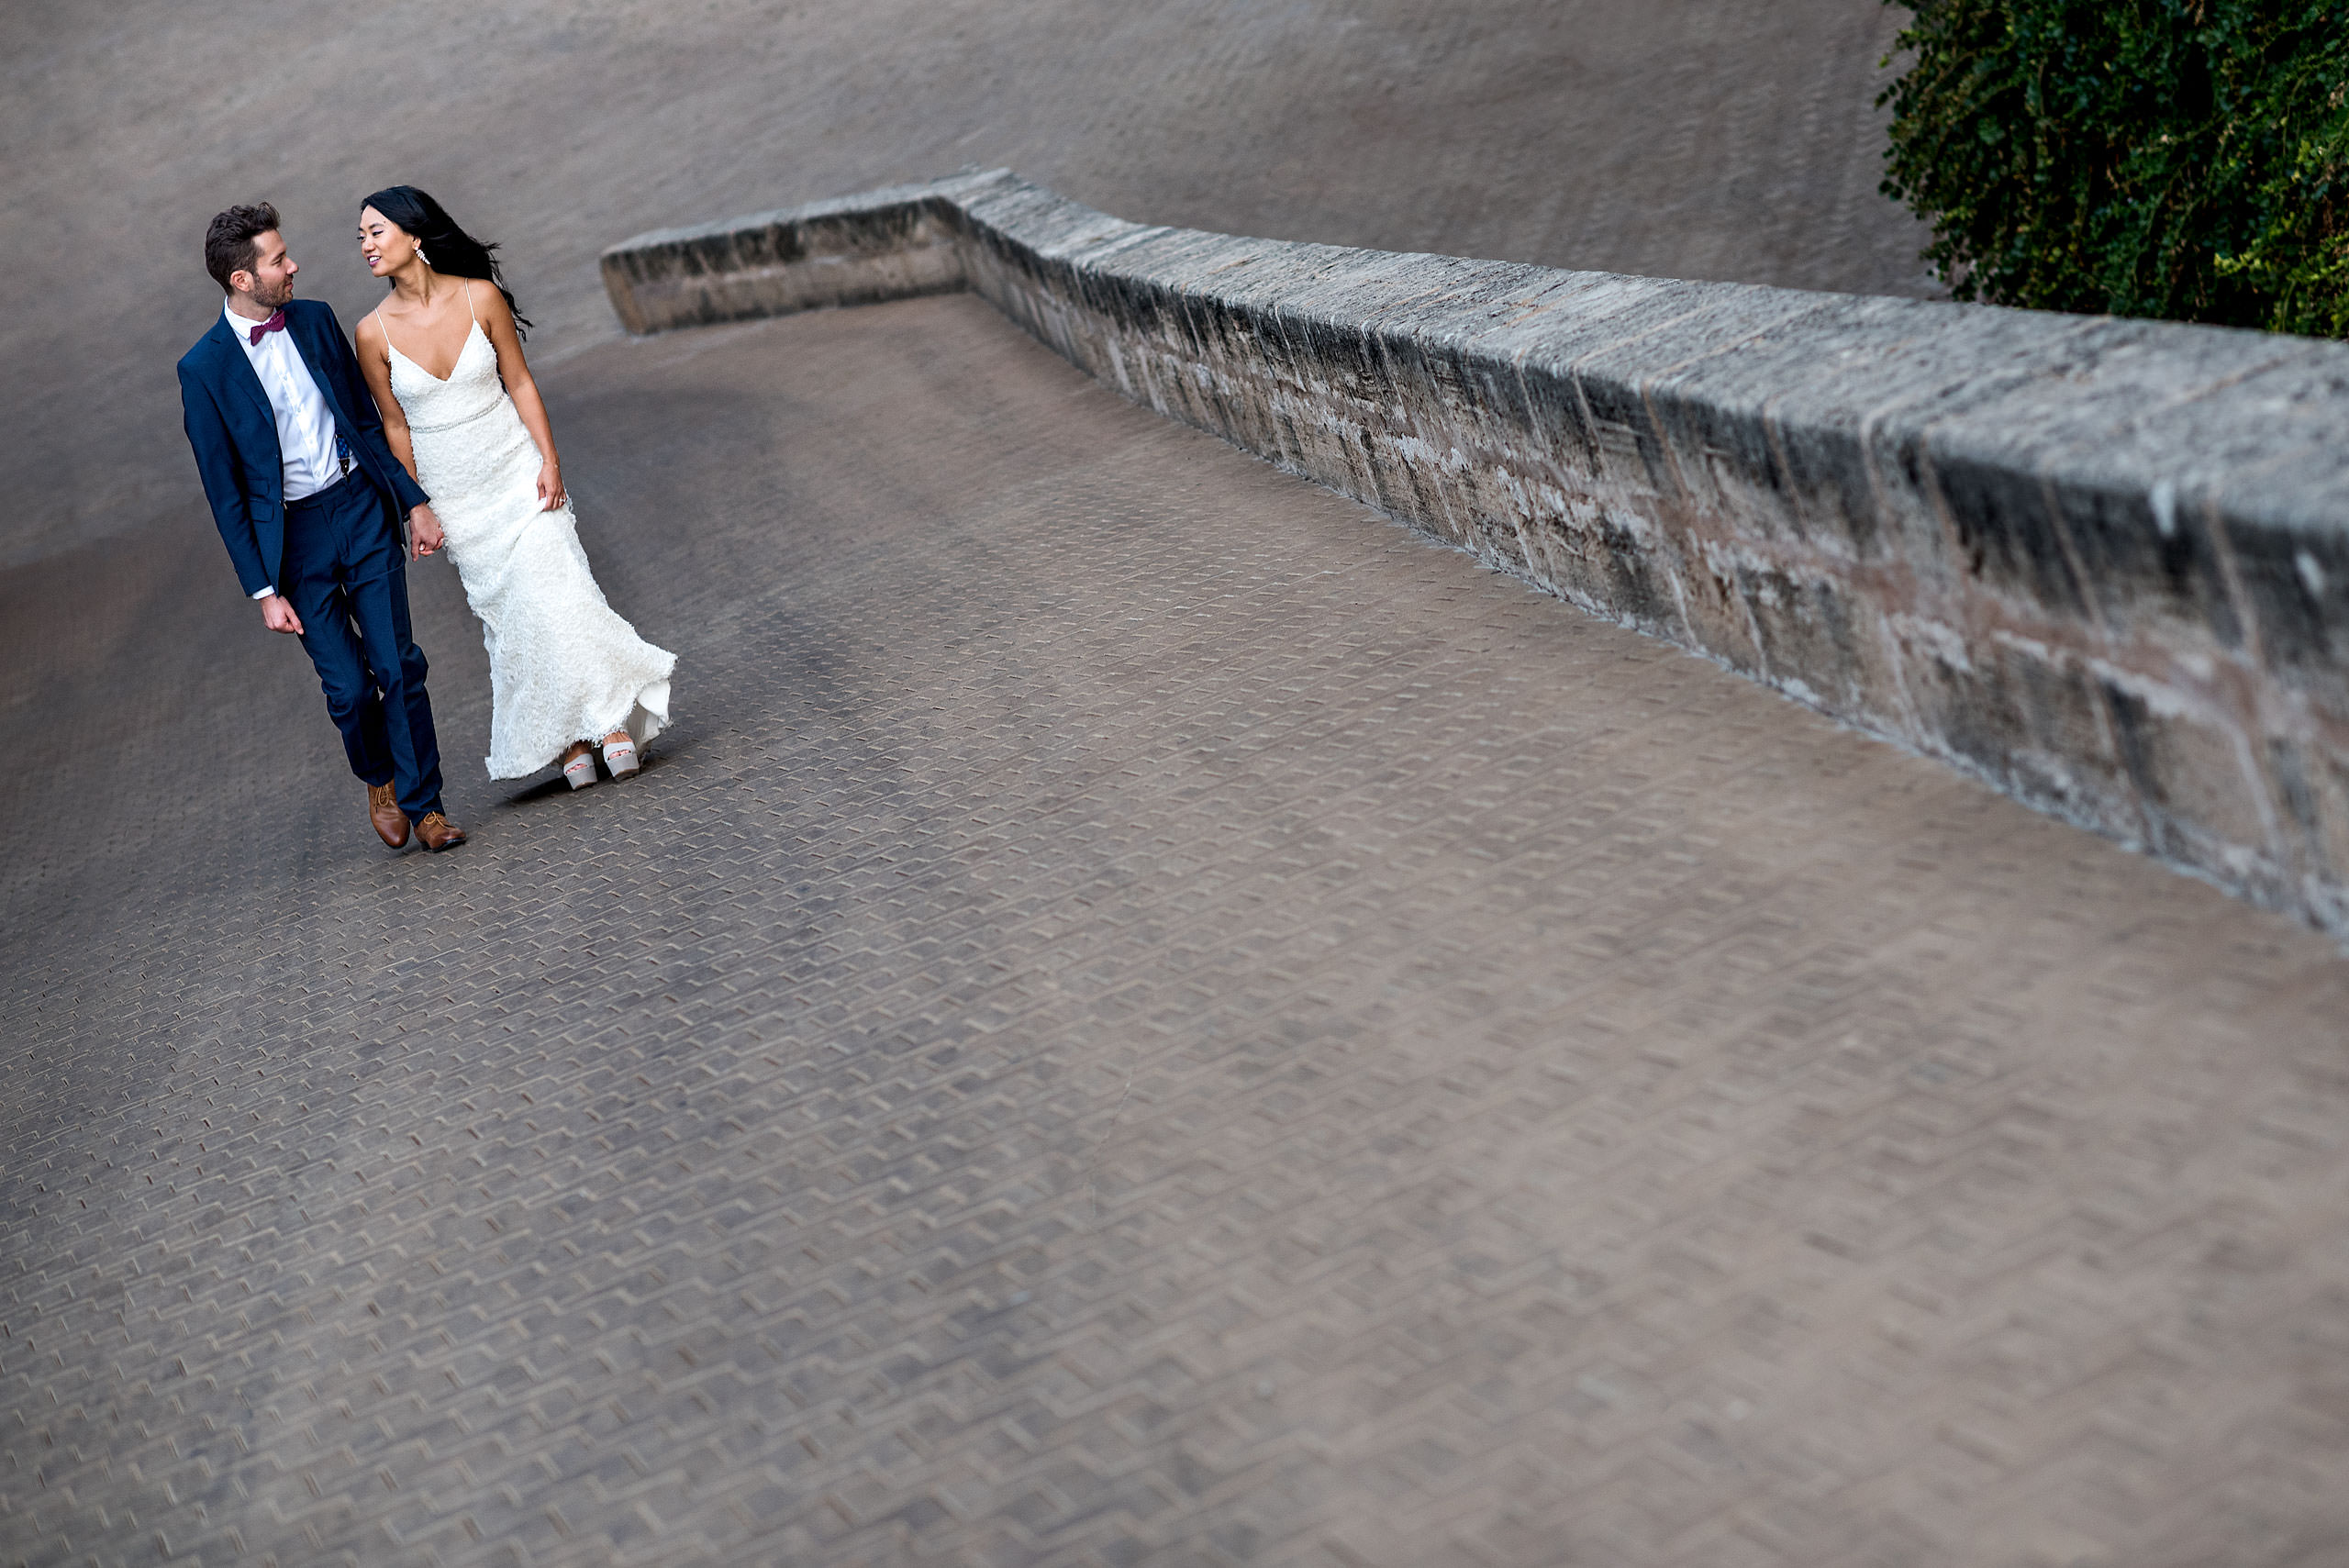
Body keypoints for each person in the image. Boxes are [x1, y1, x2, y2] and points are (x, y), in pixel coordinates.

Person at [352, 186, 674, 791]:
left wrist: (550, 459)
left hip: (516, 470)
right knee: (516, 617)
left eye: (376, 231)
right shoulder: (372, 333)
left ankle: (609, 724)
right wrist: (415, 506)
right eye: (362, 236)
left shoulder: (482, 298)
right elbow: (394, 424)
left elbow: (520, 383)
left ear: (414, 236)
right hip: (457, 498)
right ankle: (567, 737)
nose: (366, 245)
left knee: (563, 587)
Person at [177, 203, 467, 852]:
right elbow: (224, 494)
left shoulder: (314, 319)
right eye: (278, 259)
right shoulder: (202, 370)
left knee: (400, 665)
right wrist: (262, 590)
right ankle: (379, 779)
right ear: (243, 279)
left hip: (359, 508)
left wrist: (413, 500)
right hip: (294, 544)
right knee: (349, 690)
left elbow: (364, 421)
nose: (293, 264)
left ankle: (427, 808)